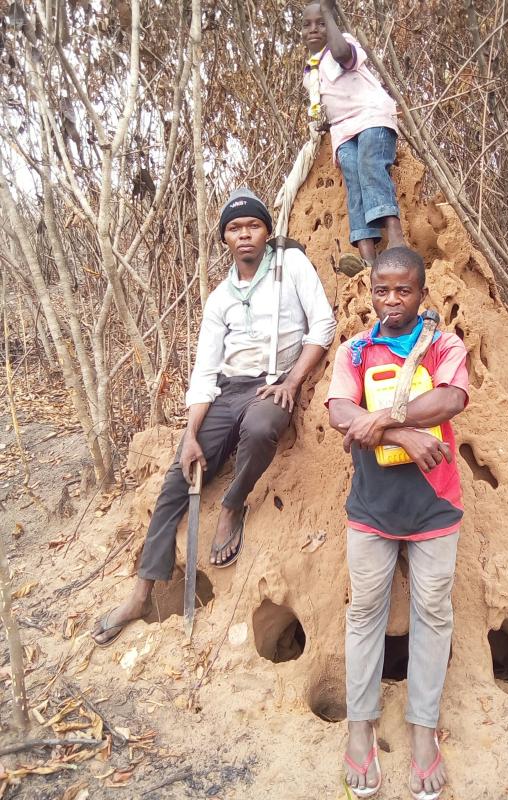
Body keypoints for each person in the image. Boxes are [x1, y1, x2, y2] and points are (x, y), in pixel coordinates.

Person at [92, 188, 336, 646]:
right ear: (224, 237)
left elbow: (322, 325)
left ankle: (232, 504)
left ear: (266, 231)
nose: (244, 235)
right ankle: (141, 591)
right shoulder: (221, 297)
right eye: (234, 228)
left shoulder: (291, 268)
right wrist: (190, 434)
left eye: (253, 226)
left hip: (274, 381)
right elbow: (205, 370)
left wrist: (291, 382)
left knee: (262, 426)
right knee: (176, 481)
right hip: (229, 390)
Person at [326, 246, 468, 799]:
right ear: (369, 291)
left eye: (403, 290)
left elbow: (452, 398)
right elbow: (340, 412)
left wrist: (386, 418)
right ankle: (359, 727)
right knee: (365, 612)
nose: (391, 300)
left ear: (421, 293)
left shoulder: (445, 346)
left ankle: (423, 729)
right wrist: (403, 434)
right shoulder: (355, 350)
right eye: (381, 289)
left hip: (435, 507)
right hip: (371, 507)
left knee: (433, 613)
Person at [301, 0, 405, 277]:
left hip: (370, 117)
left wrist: (328, 13)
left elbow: (342, 54)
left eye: (320, 23)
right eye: (307, 24)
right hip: (343, 131)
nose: (314, 29)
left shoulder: (342, 43)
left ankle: (396, 241)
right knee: (354, 182)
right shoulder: (310, 71)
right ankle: (367, 259)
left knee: (370, 166)